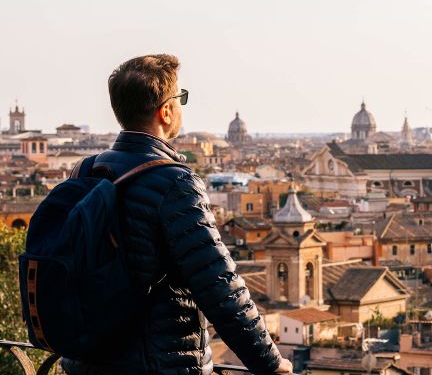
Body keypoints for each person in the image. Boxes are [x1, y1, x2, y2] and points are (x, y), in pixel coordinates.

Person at [61, 54, 293, 375]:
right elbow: (220, 287)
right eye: (180, 99)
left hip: (86, 360)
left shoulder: (84, 170)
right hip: (157, 364)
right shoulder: (175, 182)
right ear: (166, 111)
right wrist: (270, 362)